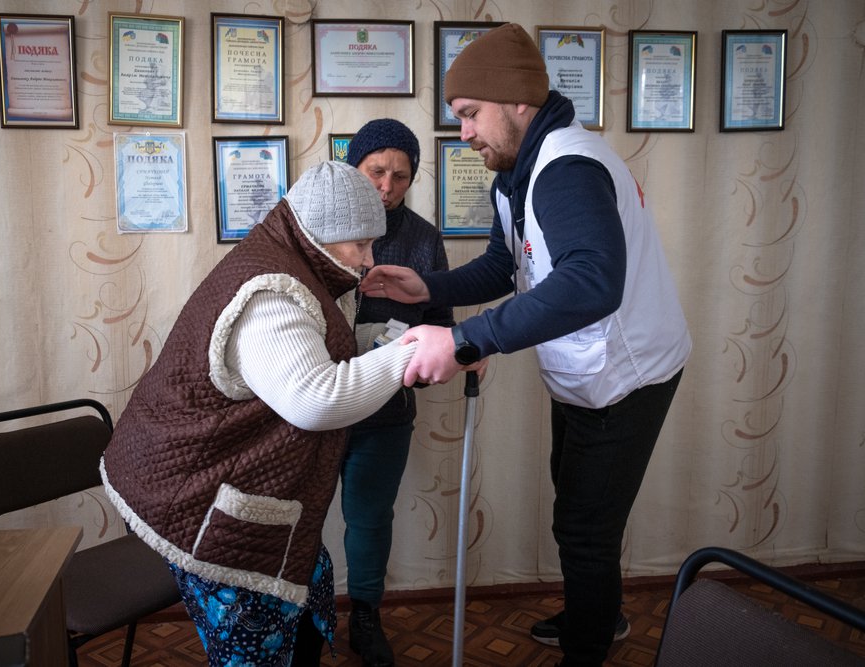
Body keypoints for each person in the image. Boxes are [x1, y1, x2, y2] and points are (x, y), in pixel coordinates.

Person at [360, 23, 692, 667]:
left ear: (518, 100)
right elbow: (504, 265)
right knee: (576, 509)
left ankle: (588, 645)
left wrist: (466, 338)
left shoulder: (567, 169)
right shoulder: (517, 173)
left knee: (584, 528)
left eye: (469, 113)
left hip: (626, 374)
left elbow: (592, 281)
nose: (464, 132)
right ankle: (595, 612)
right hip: (584, 367)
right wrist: (425, 287)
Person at [101, 161, 419, 666]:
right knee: (256, 642)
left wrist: (385, 343)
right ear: (319, 235)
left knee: (307, 591)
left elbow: (305, 353)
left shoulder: (286, 261)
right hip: (194, 491)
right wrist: (413, 350)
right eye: (360, 245)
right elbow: (316, 398)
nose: (368, 259)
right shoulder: (273, 294)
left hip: (212, 476)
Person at [341, 119, 455, 667]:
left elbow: (441, 322)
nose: (387, 186)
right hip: (312, 402)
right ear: (354, 168)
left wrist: (427, 361)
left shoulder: (424, 240)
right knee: (299, 515)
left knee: (369, 518)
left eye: (401, 176)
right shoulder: (321, 227)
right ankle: (302, 613)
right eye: (376, 172)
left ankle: (365, 616)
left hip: (386, 406)